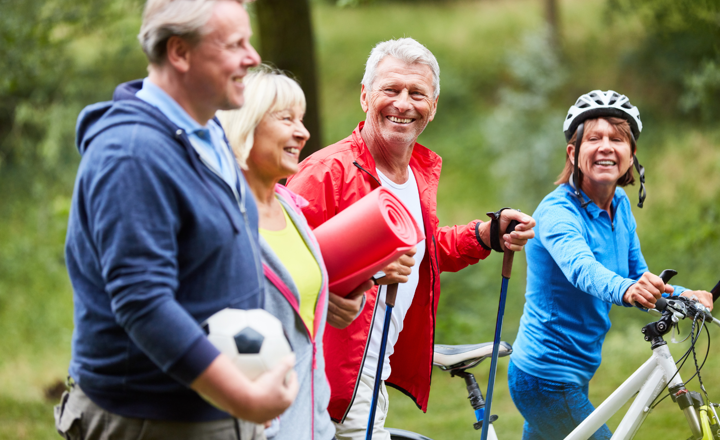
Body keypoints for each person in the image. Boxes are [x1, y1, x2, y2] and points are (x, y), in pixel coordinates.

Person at [57, 1, 299, 439]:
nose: (253, 57)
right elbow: (143, 303)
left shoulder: (206, 132)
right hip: (154, 419)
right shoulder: (132, 154)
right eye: (235, 44)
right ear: (179, 53)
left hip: (212, 408)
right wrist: (241, 398)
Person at [286, 37, 536, 440]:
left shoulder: (416, 172)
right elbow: (279, 269)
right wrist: (361, 272)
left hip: (372, 373)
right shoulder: (325, 174)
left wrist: (486, 235)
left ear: (432, 107)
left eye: (417, 93)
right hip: (331, 377)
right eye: (391, 90)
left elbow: (421, 249)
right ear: (366, 97)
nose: (403, 104)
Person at [508, 90, 715, 440]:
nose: (606, 146)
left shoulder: (619, 204)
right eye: (594, 138)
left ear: (631, 155)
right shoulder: (557, 213)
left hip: (576, 372)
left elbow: (637, 274)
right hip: (545, 376)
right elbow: (582, 268)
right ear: (573, 153)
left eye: (617, 139)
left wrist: (685, 294)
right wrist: (626, 289)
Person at [217, 67, 372, 440]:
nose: (302, 132)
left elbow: (296, 303)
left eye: (301, 120)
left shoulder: (291, 207)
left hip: (311, 421)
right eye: (286, 119)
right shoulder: (219, 216)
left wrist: (336, 300)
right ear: (245, 123)